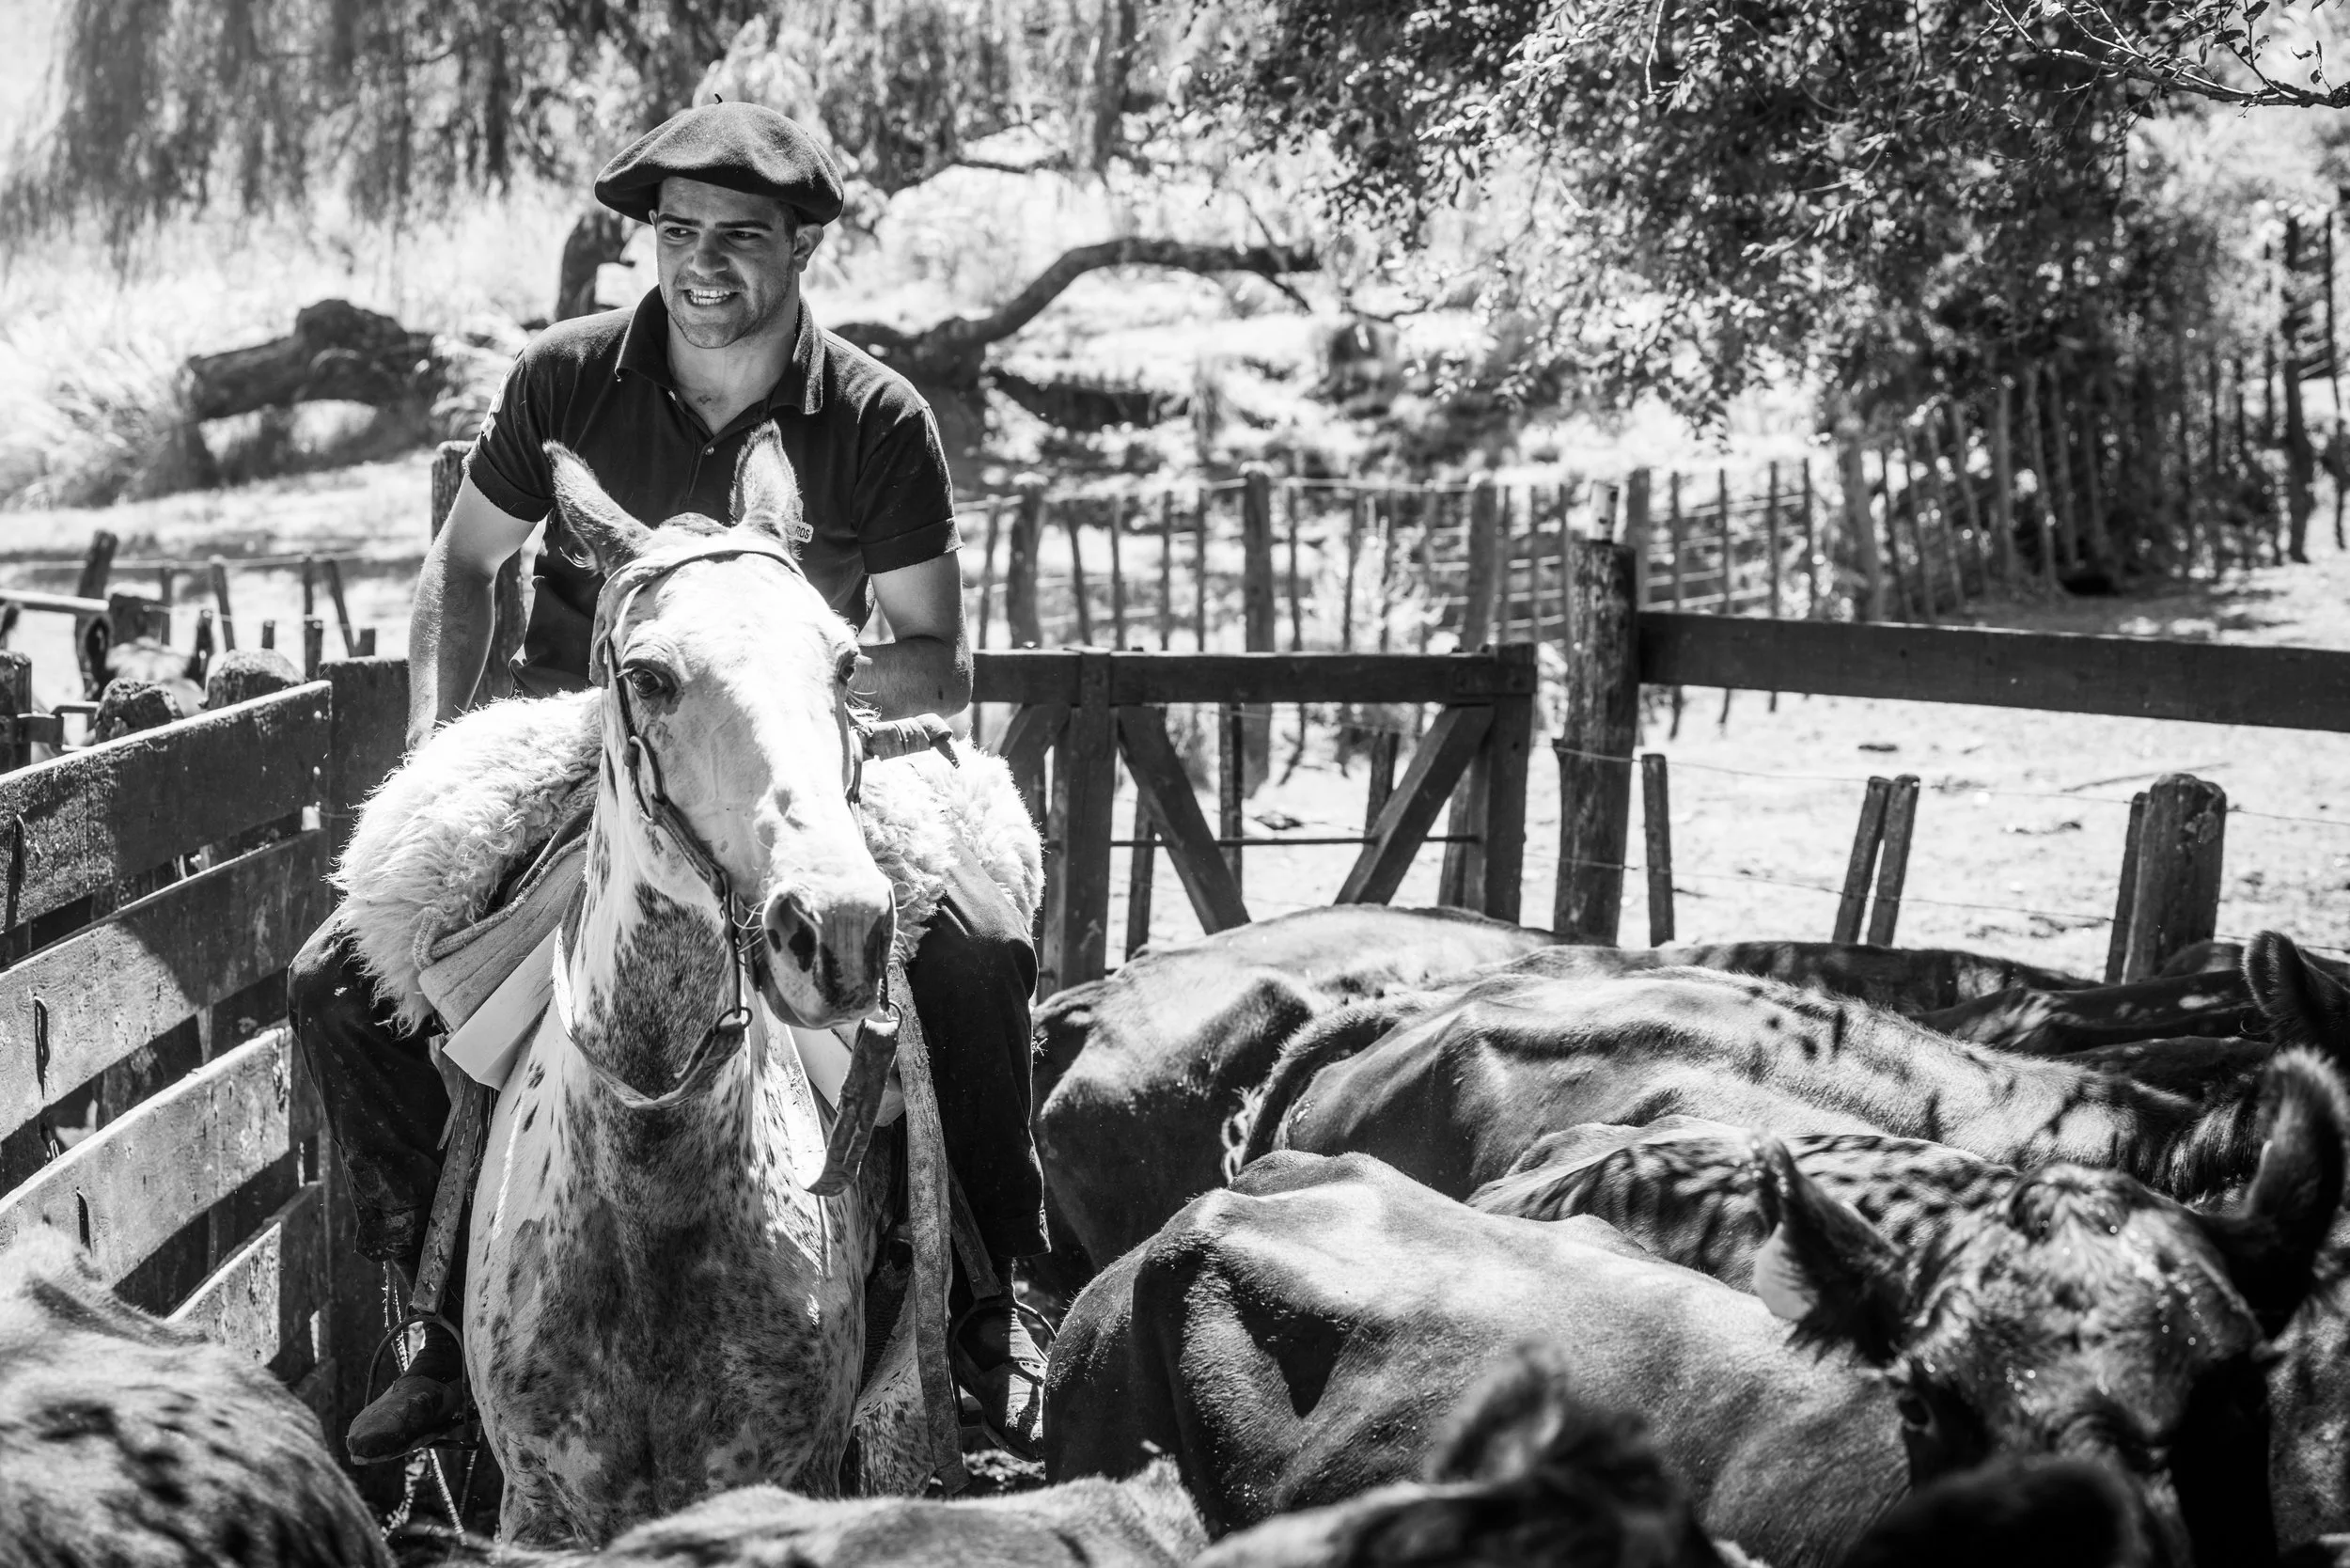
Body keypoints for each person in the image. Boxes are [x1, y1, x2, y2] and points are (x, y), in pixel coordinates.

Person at [287, 102, 1048, 1466]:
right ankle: (447, 1320)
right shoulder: (565, 377)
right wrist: (434, 746)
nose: (703, 262)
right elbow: (467, 564)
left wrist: (778, 694)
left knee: (976, 953)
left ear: (801, 247)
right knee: (338, 983)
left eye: (740, 235)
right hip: (598, 742)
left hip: (799, 752)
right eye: (679, 230)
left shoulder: (877, 415)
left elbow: (939, 657)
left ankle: (985, 1301)